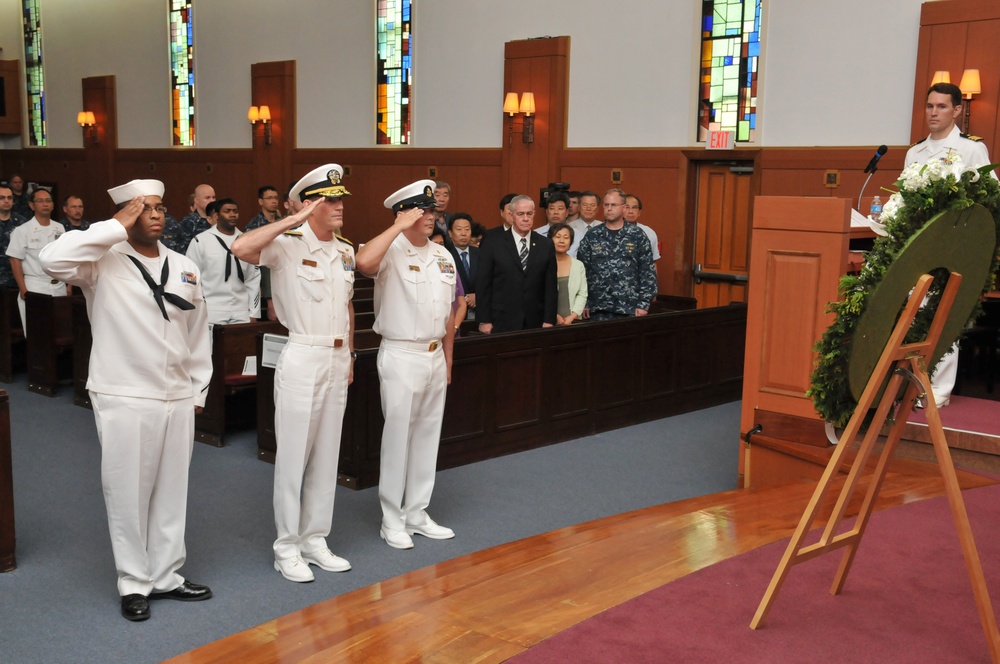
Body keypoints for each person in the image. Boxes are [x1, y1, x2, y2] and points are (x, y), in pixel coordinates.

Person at [39, 179, 213, 622]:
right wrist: (114, 226)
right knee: (128, 490)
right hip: (124, 392)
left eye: (159, 207)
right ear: (126, 215)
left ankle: (167, 574)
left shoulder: (184, 265)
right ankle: (134, 581)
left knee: (173, 489)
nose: (155, 215)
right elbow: (51, 259)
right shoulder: (101, 261)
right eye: (144, 209)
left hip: (177, 393)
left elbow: (198, 334)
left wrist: (199, 388)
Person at [232, 164, 355, 582]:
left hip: (338, 357)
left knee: (326, 454)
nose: (339, 206)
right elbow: (241, 249)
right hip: (302, 353)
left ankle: (315, 539)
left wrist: (351, 353)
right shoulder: (286, 243)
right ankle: (286, 546)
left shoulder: (345, 250)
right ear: (309, 204)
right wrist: (292, 220)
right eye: (330, 200)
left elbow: (348, 306)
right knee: (293, 457)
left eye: (340, 199)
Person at [355, 179, 462, 550]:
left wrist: (448, 358)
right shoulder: (391, 249)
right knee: (398, 437)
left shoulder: (443, 255)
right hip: (401, 353)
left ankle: (417, 512)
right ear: (403, 214)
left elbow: (450, 313)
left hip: (433, 355)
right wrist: (398, 226)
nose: (430, 217)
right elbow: (363, 262)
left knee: (427, 437)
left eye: (432, 210)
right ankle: (391, 517)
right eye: (422, 211)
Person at [904, 82, 998, 408]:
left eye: (941, 106)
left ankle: (937, 391)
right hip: (920, 248)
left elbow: (990, 198)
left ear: (957, 110)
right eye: (930, 106)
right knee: (914, 314)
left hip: (954, 248)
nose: (933, 112)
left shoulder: (971, 149)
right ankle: (912, 382)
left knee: (943, 316)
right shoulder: (914, 152)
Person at [475, 194, 557, 333]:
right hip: (501, 319)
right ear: (511, 215)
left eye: (529, 214)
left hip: (535, 320)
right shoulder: (493, 243)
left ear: (534, 214)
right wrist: (484, 320)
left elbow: (550, 286)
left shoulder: (546, 244)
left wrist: (549, 320)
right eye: (520, 214)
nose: (526, 218)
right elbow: (483, 284)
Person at [577, 188, 657, 321]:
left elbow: (647, 271)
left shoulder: (637, 235)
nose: (609, 208)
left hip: (629, 307)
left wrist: (643, 303)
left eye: (613, 205)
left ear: (624, 208)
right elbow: (583, 271)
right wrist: (584, 302)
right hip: (597, 307)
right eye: (606, 205)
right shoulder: (592, 235)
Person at [186, 198, 261, 324]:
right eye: (227, 211)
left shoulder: (247, 241)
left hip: (241, 309)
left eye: (235, 211)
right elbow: (190, 277)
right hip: (211, 308)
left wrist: (254, 312)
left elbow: (253, 279)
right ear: (216, 215)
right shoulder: (200, 241)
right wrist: (194, 309)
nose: (232, 215)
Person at [6, 187, 69, 335]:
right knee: (38, 333)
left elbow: (66, 257)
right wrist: (23, 289)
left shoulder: (59, 228)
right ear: (32, 205)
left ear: (53, 205)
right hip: (35, 286)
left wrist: (69, 284)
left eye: (48, 201)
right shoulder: (22, 230)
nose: (45, 204)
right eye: (40, 201)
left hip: (58, 285)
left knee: (60, 332)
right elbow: (15, 260)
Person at [550, 222, 587, 325]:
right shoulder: (543, 264)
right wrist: (554, 315)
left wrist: (572, 316)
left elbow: (582, 294)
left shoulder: (578, 265)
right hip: (549, 320)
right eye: (558, 237)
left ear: (570, 242)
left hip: (574, 321)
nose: (562, 241)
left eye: (566, 237)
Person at [162, 184, 215, 254]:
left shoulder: (219, 220)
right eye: (207, 198)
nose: (212, 201)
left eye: (214, 197)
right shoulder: (188, 223)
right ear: (196, 200)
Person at [448, 213, 478, 317]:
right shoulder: (445, 255)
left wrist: (478, 296)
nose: (463, 233)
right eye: (459, 229)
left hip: (479, 311)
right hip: (455, 311)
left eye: (467, 229)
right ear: (450, 233)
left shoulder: (481, 253)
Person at [624, 194, 660, 279]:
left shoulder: (649, 233)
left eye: (634, 208)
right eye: (627, 207)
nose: (630, 211)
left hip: (640, 284)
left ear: (639, 212)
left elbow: (653, 263)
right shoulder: (610, 231)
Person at [0, 185, 26, 290]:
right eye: (1, 198)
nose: (6, 201)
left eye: (9, 198)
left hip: (16, 280)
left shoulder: (21, 222)